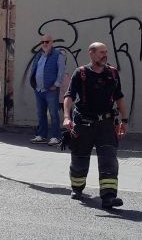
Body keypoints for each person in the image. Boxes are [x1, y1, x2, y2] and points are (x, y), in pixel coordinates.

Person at [62, 41, 128, 209]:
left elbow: (119, 97)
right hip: (83, 124)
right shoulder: (81, 73)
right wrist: (67, 117)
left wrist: (124, 120)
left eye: (106, 52)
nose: (105, 55)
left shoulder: (112, 73)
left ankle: (108, 197)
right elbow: (69, 96)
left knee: (109, 160)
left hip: (106, 124)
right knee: (79, 159)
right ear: (91, 53)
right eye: (101, 52)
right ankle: (77, 187)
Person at [26, 34, 69, 146]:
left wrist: (56, 84)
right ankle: (41, 135)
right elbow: (34, 69)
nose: (44, 44)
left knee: (53, 113)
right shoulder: (39, 55)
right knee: (41, 113)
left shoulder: (58, 55)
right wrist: (34, 83)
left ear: (52, 42)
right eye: (43, 42)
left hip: (51, 89)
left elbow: (61, 70)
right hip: (39, 89)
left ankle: (56, 137)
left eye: (47, 42)